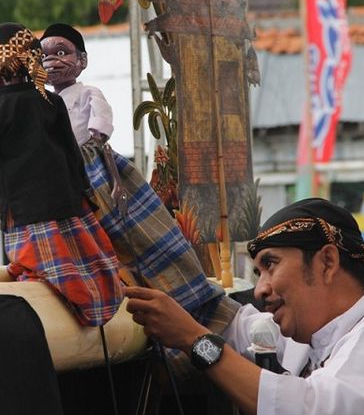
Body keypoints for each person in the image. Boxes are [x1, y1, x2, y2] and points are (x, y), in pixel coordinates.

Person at [126, 197, 364, 415]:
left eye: (271, 265)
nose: (261, 289)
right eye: (258, 273)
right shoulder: (316, 330)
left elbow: (308, 412)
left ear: (327, 262)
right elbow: (231, 323)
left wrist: (194, 340)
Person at [40, 23, 240, 373]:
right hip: (63, 177)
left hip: (97, 170)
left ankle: (196, 319)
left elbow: (100, 124)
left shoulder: (87, 93)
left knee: (137, 236)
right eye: (45, 56)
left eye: (62, 52)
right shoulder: (41, 103)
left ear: (82, 60)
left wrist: (94, 143)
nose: (53, 62)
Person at [0, 22, 123, 327]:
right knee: (89, 271)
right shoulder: (52, 102)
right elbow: (73, 158)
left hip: (26, 214)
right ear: (33, 60)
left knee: (41, 274)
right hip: (72, 209)